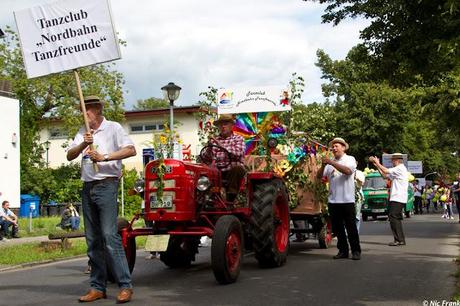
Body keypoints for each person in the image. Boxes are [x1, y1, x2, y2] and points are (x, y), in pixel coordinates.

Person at [67, 96, 136, 304]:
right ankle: (98, 287)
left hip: (106, 185)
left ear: (96, 110)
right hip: (88, 187)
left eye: (85, 110)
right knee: (92, 240)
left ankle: (125, 286)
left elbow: (130, 150)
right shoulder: (83, 132)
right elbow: (70, 155)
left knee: (109, 236)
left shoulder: (113, 128)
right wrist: (82, 146)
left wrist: (104, 157)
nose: (83, 114)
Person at [319, 137, 361, 260]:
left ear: (343, 147)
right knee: (337, 229)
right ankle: (343, 251)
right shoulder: (329, 162)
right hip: (333, 201)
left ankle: (356, 251)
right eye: (333, 146)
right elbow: (319, 176)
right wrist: (323, 165)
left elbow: (348, 171)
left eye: (337, 146)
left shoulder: (350, 159)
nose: (334, 148)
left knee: (351, 227)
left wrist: (331, 163)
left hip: (347, 200)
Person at [369, 153, 408, 246]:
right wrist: (377, 166)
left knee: (393, 217)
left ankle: (398, 240)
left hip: (398, 197)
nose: (391, 162)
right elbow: (385, 176)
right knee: (395, 218)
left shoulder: (400, 168)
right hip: (396, 197)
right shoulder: (398, 170)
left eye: (392, 160)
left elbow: (386, 171)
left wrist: (377, 162)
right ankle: (400, 239)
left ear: (396, 160)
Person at [208, 114, 246, 202]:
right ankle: (205, 198)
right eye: (221, 124)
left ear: (232, 126)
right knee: (203, 172)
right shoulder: (214, 140)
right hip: (218, 171)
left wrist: (221, 145)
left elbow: (239, 153)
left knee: (237, 169)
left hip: (232, 171)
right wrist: (209, 147)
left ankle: (230, 198)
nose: (223, 126)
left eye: (226, 124)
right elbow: (206, 158)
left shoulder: (238, 138)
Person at [355, 169, 365, 234]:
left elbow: (362, 183)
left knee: (356, 217)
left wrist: (355, 177)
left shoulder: (359, 173)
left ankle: (356, 233)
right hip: (346, 197)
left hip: (357, 197)